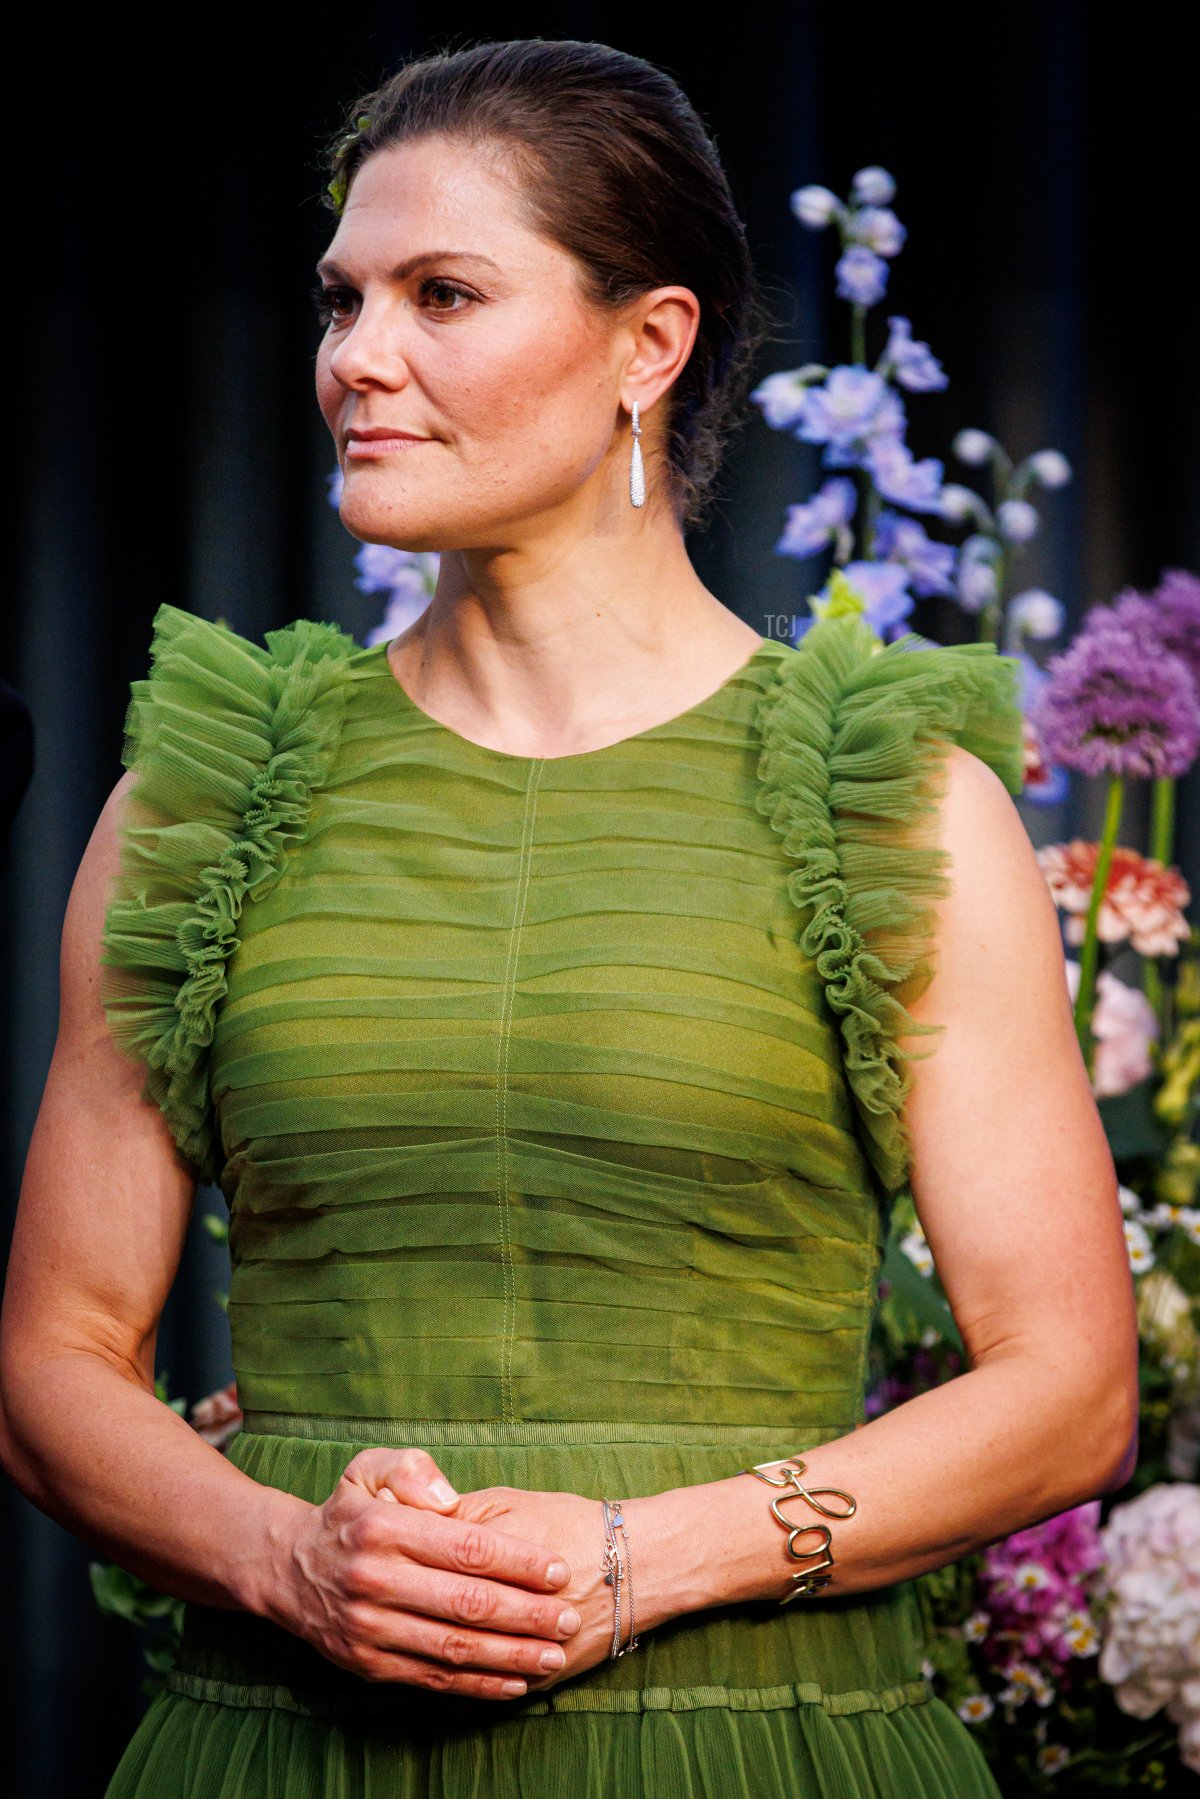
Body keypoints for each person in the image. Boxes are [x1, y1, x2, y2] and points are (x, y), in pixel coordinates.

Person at [0, 37, 1138, 1799]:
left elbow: (1068, 1388)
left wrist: (644, 1556)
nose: (357, 360)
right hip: (280, 1745)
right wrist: (281, 1556)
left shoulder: (894, 796)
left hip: (758, 1746)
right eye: (342, 301)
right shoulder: (203, 791)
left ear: (648, 345)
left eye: (441, 294)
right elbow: (55, 1363)